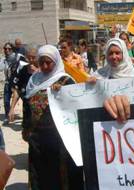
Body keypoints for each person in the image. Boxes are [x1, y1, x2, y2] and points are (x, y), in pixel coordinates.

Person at [23, 44, 83, 190]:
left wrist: (63, 93)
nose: (44, 66)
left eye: (48, 62)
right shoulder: (34, 80)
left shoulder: (65, 81)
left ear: (56, 62)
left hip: (59, 140)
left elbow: (76, 105)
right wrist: (26, 129)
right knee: (40, 173)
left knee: (61, 176)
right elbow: (27, 106)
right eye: (41, 62)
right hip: (37, 139)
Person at [8, 46, 39, 122]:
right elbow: (17, 90)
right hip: (26, 108)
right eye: (28, 58)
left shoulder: (44, 69)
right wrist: (12, 109)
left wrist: (37, 72)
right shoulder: (23, 70)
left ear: (38, 57)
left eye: (33, 57)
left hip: (40, 110)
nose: (31, 60)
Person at [2, 42, 25, 124]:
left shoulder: (18, 57)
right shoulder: (4, 60)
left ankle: (27, 116)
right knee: (6, 101)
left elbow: (25, 64)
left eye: (9, 49)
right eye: (5, 49)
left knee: (24, 99)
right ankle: (8, 116)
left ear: (12, 49)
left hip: (17, 83)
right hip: (8, 83)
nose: (7, 50)